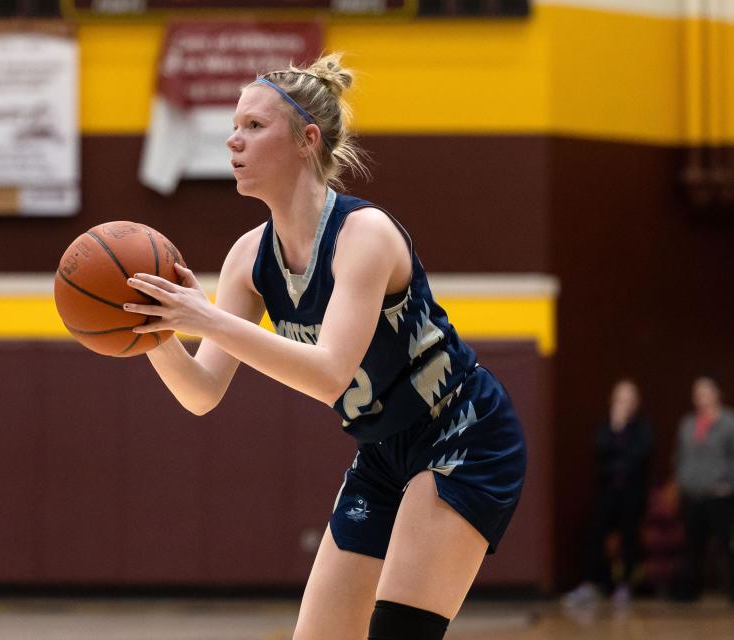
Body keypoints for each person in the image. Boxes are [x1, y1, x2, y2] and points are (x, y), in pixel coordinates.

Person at [122, 52, 526, 640]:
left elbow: (331, 374)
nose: (233, 140)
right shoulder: (247, 258)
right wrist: (153, 332)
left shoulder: (365, 235)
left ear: (307, 139)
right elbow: (202, 393)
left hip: (461, 432)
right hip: (383, 453)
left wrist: (206, 319)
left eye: (254, 126)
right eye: (234, 125)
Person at [561, 379, 653, 609]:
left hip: (632, 494)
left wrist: (619, 457)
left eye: (628, 399)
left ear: (636, 403)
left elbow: (639, 457)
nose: (624, 404)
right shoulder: (606, 427)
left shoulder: (643, 428)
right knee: (595, 535)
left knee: (629, 537)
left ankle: (626, 584)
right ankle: (594, 583)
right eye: (620, 398)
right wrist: (615, 430)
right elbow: (600, 452)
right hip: (607, 492)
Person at [673, 376, 734, 603]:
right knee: (692, 546)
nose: (701, 397)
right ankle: (689, 591)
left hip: (722, 495)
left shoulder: (731, 421)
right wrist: (681, 480)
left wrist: (729, 485)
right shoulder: (687, 423)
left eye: (706, 391)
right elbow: (680, 456)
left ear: (717, 394)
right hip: (693, 495)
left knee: (728, 544)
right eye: (697, 392)